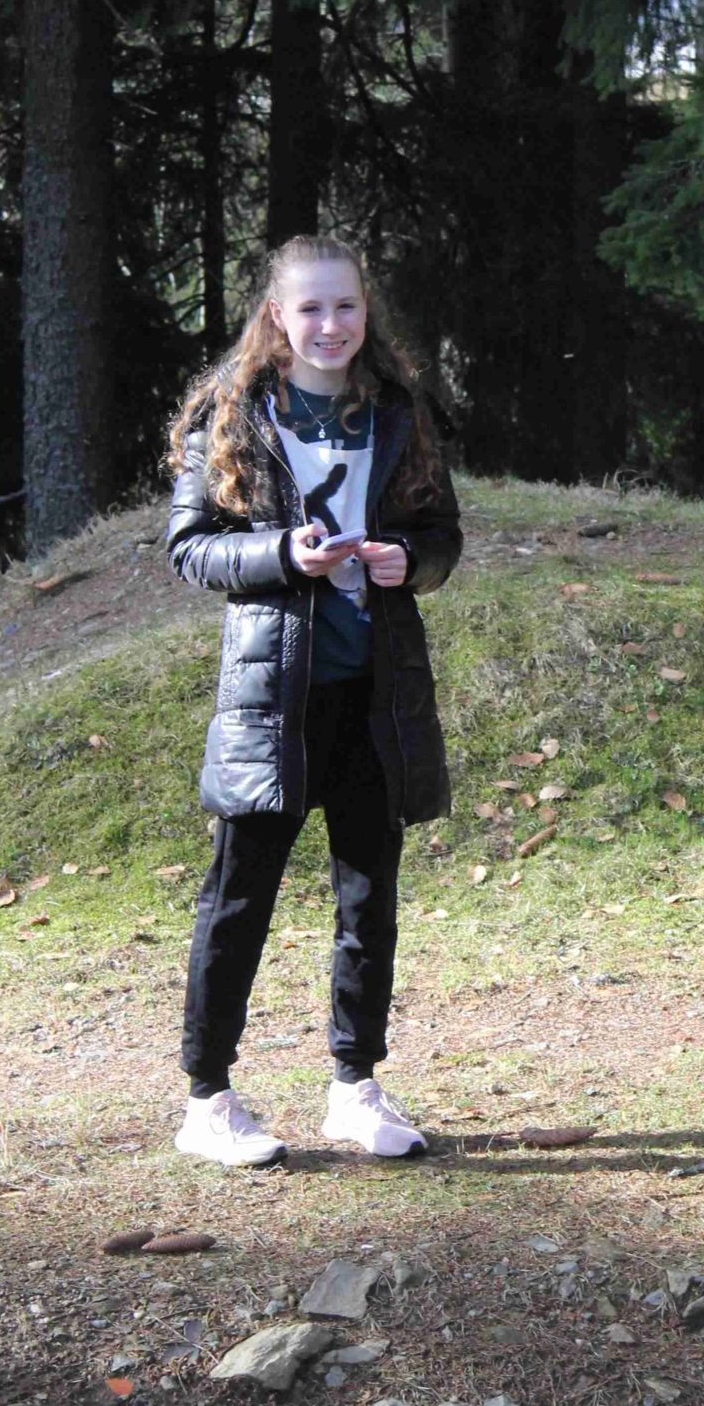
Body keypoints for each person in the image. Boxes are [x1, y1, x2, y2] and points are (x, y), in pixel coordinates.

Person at [164, 233, 461, 1167]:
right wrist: (283, 556)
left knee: (369, 898)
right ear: (276, 317)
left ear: (365, 313)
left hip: (377, 695)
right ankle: (207, 1102)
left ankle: (354, 1089)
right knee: (238, 898)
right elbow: (189, 549)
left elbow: (441, 535)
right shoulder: (231, 413)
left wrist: (408, 561)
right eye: (311, 308)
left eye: (346, 306)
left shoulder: (397, 411)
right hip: (272, 702)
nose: (331, 325)